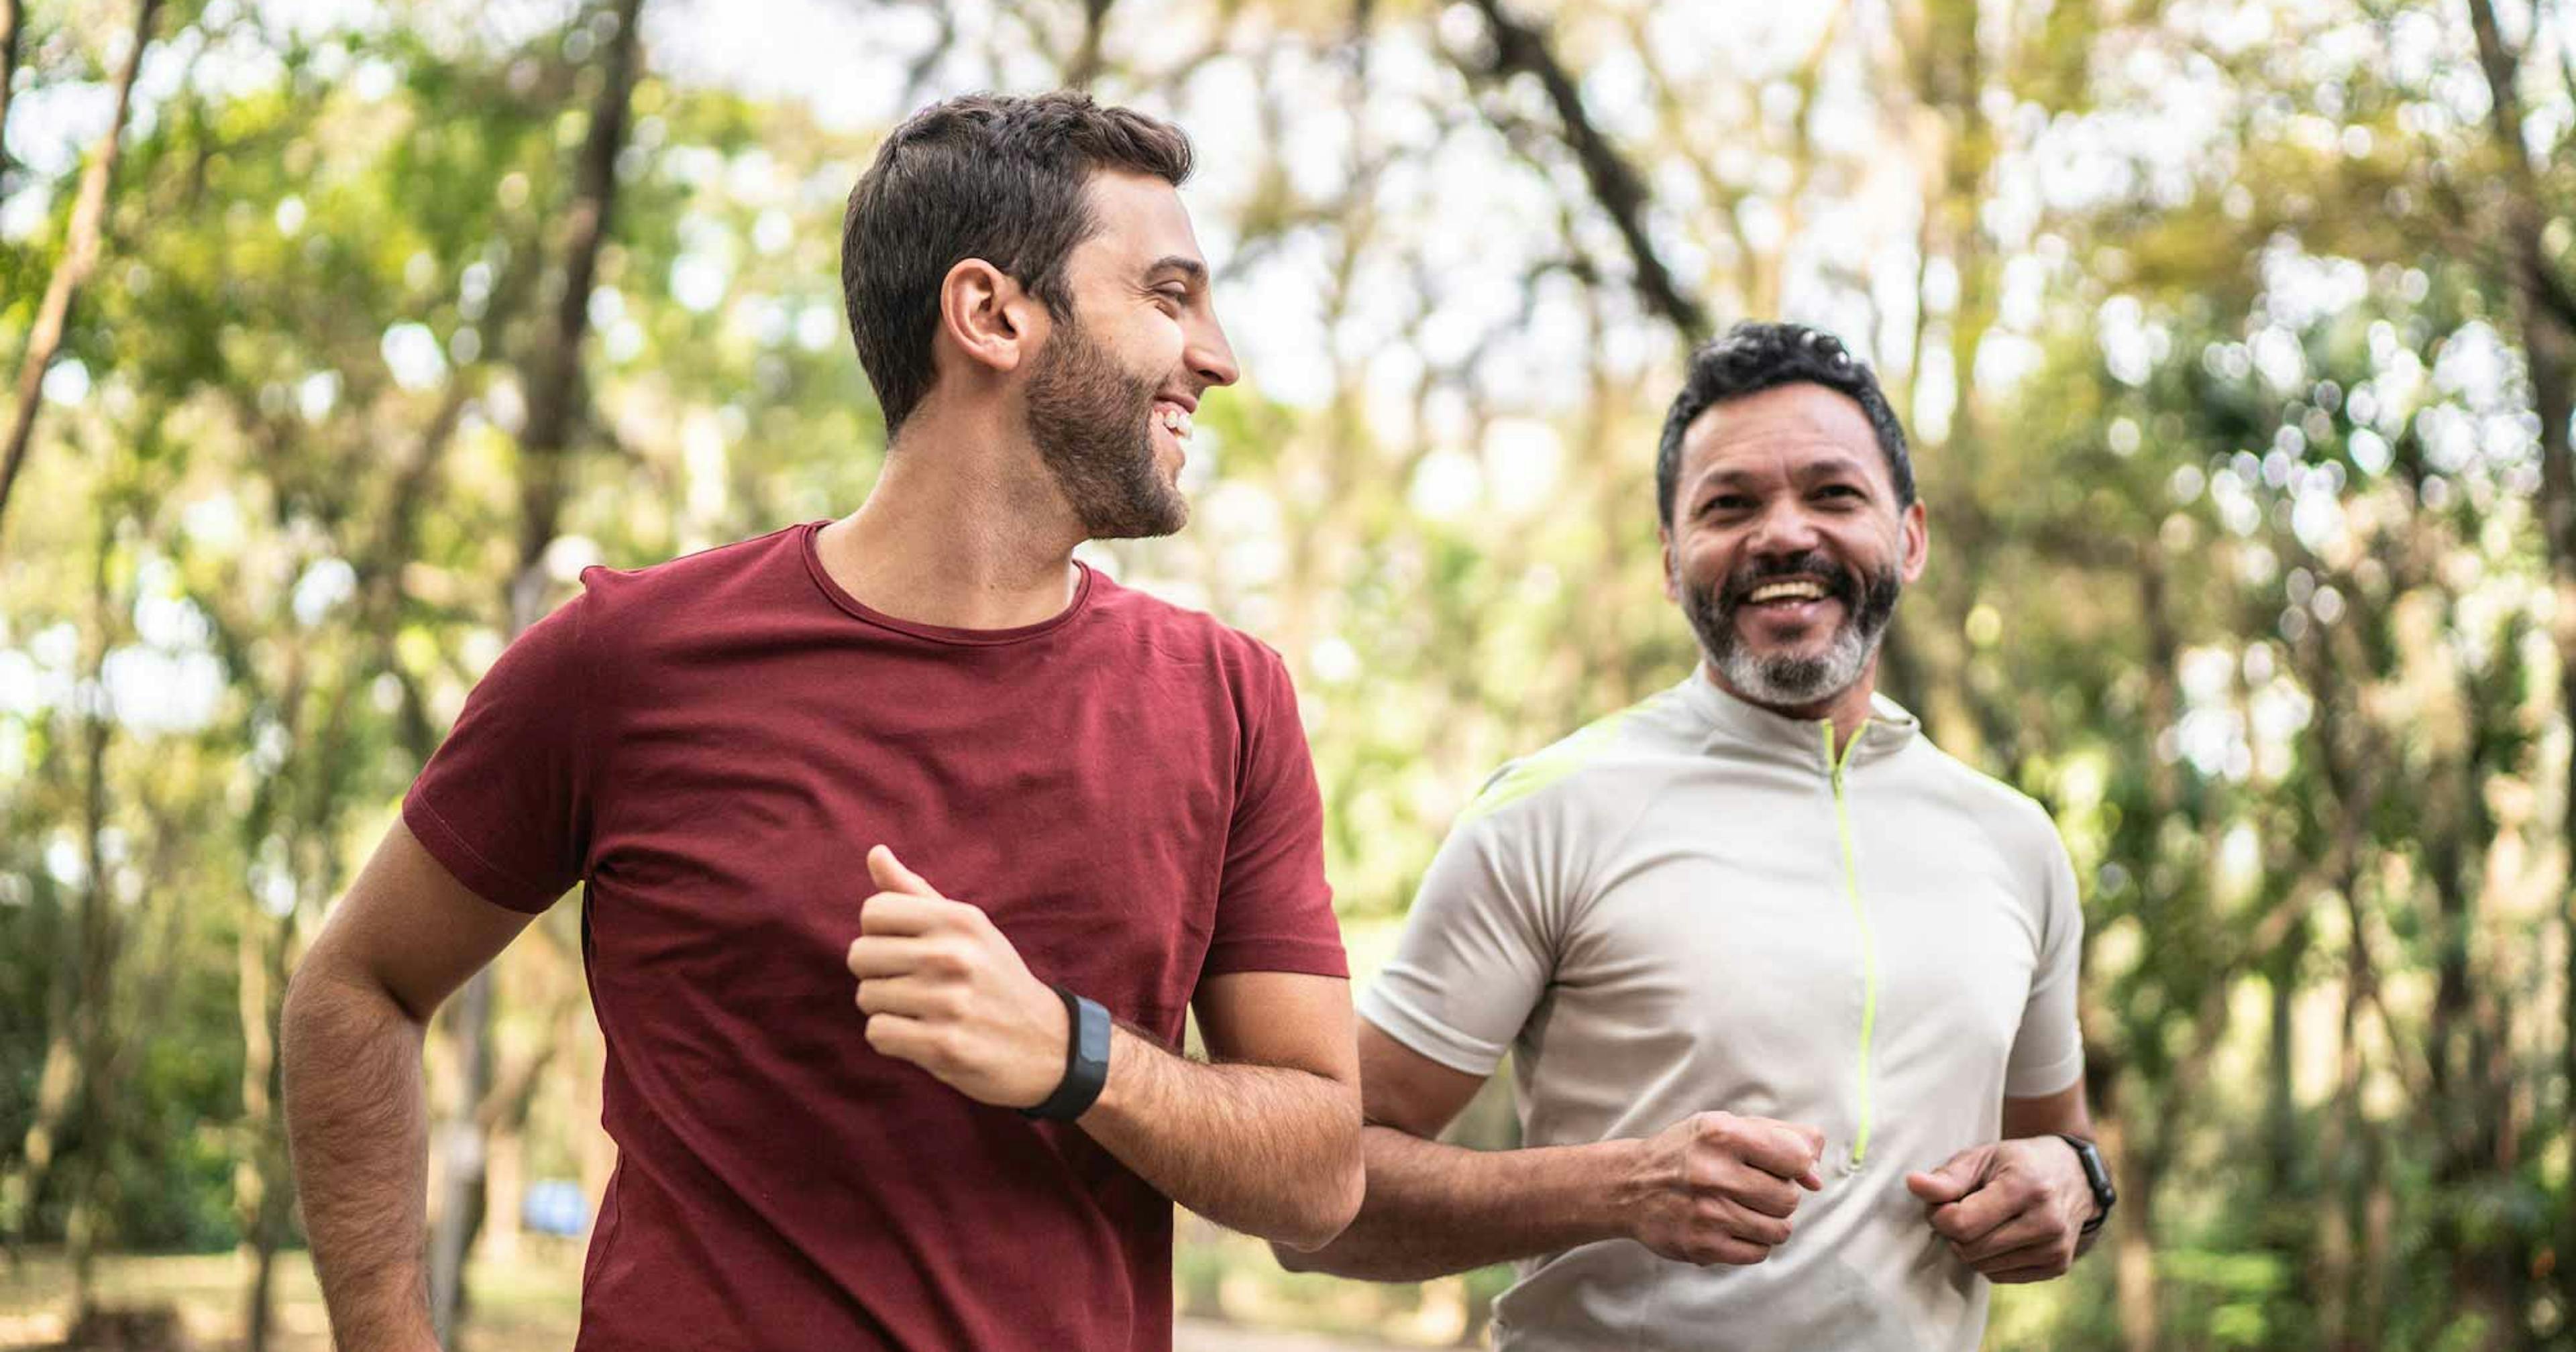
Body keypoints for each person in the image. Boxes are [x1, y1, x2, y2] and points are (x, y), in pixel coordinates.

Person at [281, 92, 1364, 1352]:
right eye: (1170, 298)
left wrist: (1073, 1056)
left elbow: (1320, 1171)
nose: (1218, 356)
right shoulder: (627, 663)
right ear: (992, 314)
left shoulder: (1231, 701)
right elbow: (356, 986)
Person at [1279, 321, 2114, 1351]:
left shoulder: (2014, 841)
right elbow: (1311, 1205)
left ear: (1911, 537)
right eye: (1730, 505)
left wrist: (2079, 1184)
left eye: (1833, 493)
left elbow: (2059, 1149)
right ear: (1673, 563)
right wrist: (1615, 1188)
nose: (1783, 535)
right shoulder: (1548, 814)